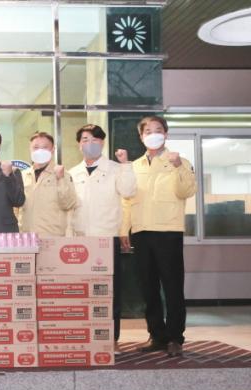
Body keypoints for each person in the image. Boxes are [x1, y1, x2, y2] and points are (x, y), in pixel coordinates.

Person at [121, 116, 196, 357]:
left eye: (158, 130)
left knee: (173, 287)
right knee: (148, 287)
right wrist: (124, 230)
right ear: (141, 136)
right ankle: (157, 335)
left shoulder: (179, 161)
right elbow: (126, 201)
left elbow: (186, 191)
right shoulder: (134, 166)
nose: (153, 134)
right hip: (141, 231)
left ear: (166, 134)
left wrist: (178, 167)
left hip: (168, 231)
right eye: (148, 131)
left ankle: (175, 338)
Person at [69, 124, 136, 354]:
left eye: (96, 140)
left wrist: (126, 164)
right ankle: (86, 336)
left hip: (107, 239)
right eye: (85, 139)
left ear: (103, 143)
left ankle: (111, 338)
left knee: (110, 292)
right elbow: (70, 208)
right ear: (79, 144)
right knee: (83, 292)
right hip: (81, 240)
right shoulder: (72, 173)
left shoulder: (116, 169)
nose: (90, 144)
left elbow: (128, 192)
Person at [18, 131, 76, 236]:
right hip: (26, 236)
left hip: (52, 236)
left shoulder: (63, 174)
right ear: (30, 149)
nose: (40, 151)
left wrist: (60, 179)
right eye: (36, 147)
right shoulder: (23, 175)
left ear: (53, 149)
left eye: (45, 147)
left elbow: (68, 204)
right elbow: (16, 208)